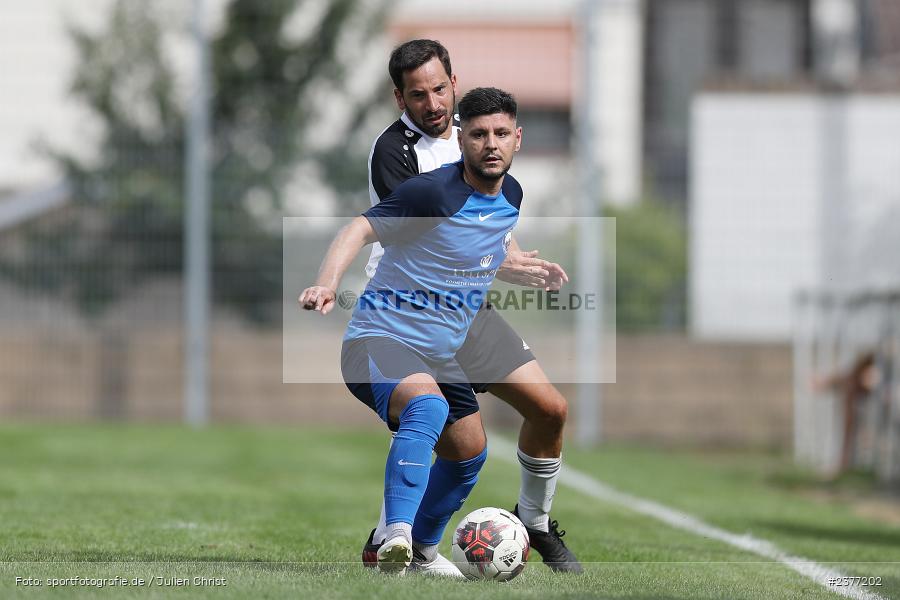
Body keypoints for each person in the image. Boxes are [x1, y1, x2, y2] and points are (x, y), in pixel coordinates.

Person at [360, 39, 581, 573]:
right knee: (463, 448)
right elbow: (431, 239)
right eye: (418, 95)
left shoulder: (474, 134)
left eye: (439, 89)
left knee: (550, 409)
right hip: (412, 312)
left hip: (470, 310)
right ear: (400, 99)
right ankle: (399, 541)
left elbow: (488, 215)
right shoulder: (395, 153)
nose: (432, 103)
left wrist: (520, 260)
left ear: (454, 85)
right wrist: (505, 265)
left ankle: (533, 522)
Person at [300, 87, 525, 576]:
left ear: (517, 139)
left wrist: (519, 265)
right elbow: (358, 229)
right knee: (428, 406)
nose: (491, 144)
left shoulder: (511, 195)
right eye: (480, 134)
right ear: (461, 138)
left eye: (501, 133)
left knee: (468, 453)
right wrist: (326, 283)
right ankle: (393, 535)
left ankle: (421, 552)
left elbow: (483, 245)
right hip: (378, 340)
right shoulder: (433, 192)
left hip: (439, 353)